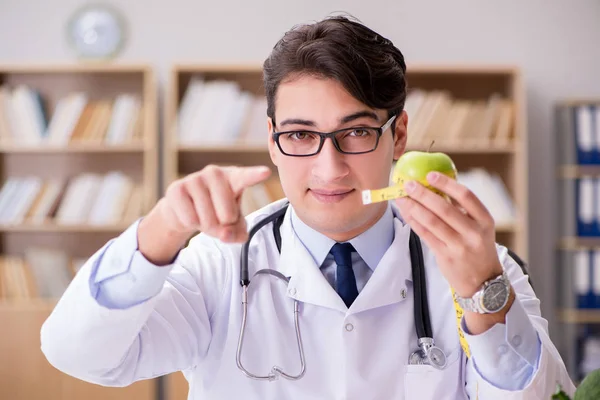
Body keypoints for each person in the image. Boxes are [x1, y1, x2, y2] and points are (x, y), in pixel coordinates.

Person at [40, 15, 575, 399]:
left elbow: (541, 396)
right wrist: (158, 234)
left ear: (399, 135)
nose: (329, 168)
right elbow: (80, 356)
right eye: (300, 135)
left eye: (357, 132)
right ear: (271, 140)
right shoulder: (215, 263)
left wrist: (482, 297)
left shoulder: (484, 270)